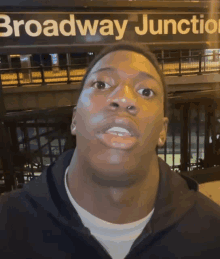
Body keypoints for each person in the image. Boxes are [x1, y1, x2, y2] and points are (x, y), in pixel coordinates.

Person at [0, 42, 220, 259]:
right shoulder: (7, 223)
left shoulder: (212, 233)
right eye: (102, 85)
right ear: (74, 119)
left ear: (162, 131)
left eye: (145, 91)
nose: (123, 99)